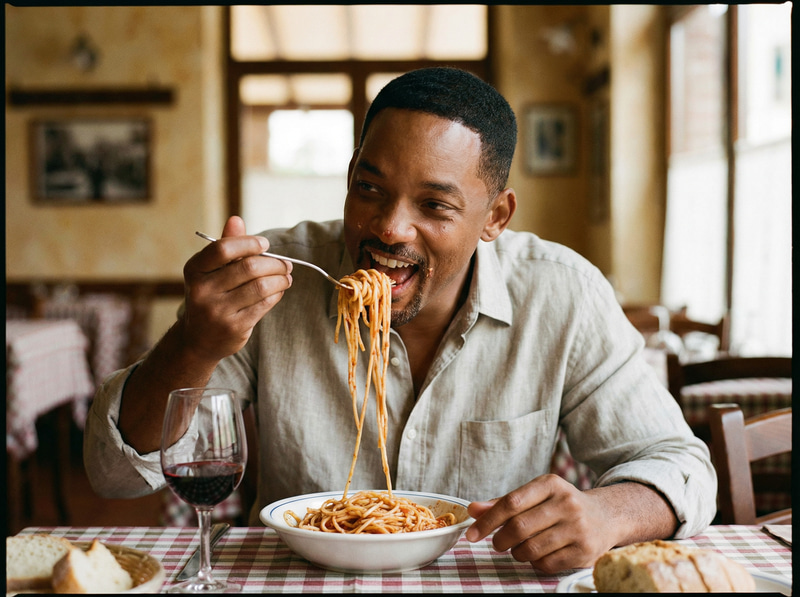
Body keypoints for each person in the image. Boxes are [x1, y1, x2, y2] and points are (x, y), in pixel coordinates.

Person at [85, 67, 716, 573]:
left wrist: (608, 514)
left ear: (495, 216)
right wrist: (193, 344)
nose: (388, 227)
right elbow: (112, 477)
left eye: (434, 204)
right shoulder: (276, 280)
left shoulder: (563, 294)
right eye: (370, 188)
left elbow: (680, 464)